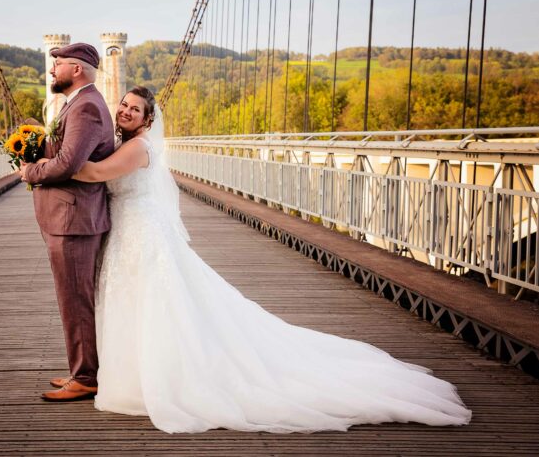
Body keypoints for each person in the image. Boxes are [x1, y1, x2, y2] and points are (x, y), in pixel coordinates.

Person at [78, 86, 472, 433]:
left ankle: (157, 378)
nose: (125, 111)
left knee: (153, 304)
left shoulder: (137, 147)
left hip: (141, 235)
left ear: (148, 121)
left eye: (134, 109)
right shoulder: (128, 143)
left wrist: (40, 159)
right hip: (131, 232)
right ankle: (139, 374)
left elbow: (94, 173)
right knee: (141, 303)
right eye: (123, 105)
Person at [18, 43, 114, 402]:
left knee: (76, 300)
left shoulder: (87, 106)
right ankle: (81, 367)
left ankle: (87, 377)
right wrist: (32, 144)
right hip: (67, 217)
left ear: (77, 69)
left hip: (73, 219)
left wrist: (29, 170)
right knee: (71, 298)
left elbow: (68, 165)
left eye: (57, 64)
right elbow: (61, 153)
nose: (51, 70)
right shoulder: (77, 103)